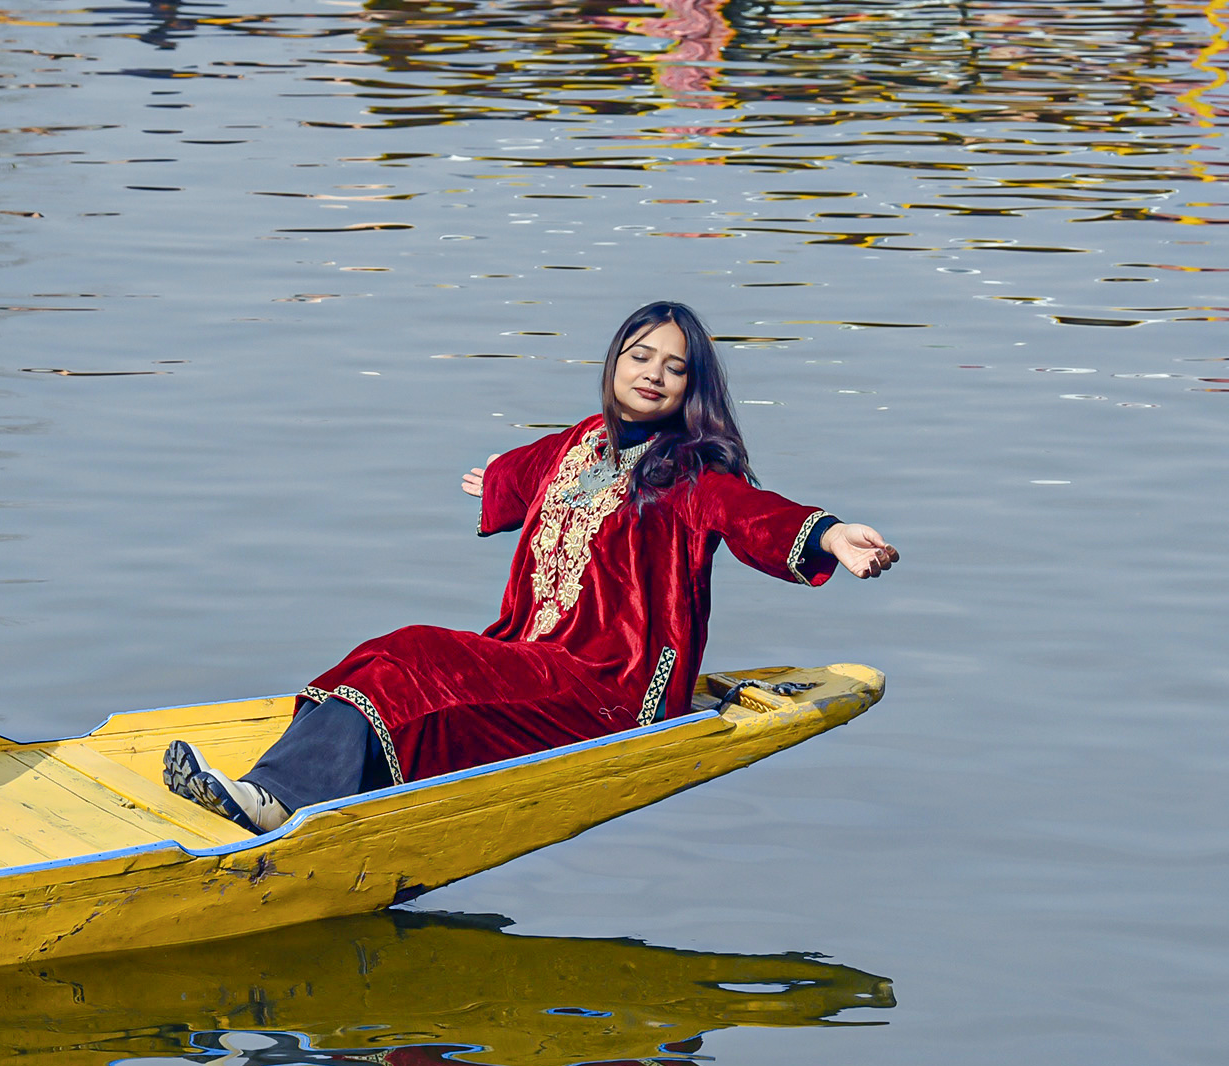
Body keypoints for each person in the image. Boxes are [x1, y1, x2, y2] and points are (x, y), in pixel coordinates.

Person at [165, 301, 896, 833]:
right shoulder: (580, 442)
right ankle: (286, 785)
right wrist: (497, 481)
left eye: (674, 367)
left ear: (690, 388)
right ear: (613, 361)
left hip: (609, 692)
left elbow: (745, 511)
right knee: (389, 652)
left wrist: (828, 535)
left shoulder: (688, 470)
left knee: (418, 653)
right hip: (534, 660)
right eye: (640, 355)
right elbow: (529, 468)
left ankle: (276, 801)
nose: (653, 374)